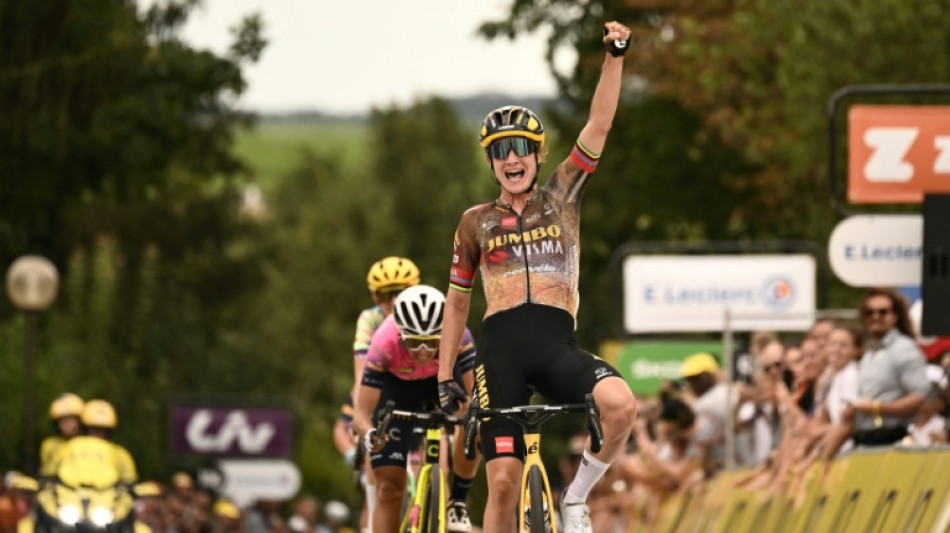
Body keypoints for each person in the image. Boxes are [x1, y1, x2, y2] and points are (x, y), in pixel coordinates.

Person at [435, 21, 638, 533]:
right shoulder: (474, 221)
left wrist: (615, 55)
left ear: (536, 153)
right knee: (501, 482)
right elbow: (456, 304)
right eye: (499, 152)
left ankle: (576, 497)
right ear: (490, 162)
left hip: (555, 346)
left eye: (520, 148)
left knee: (620, 404)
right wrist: (443, 376)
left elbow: (599, 124)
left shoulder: (561, 197)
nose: (511, 160)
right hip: (499, 352)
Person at [353, 285, 481, 533]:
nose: (423, 352)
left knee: (476, 418)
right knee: (389, 488)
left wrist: (469, 412)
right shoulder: (383, 341)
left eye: (432, 342)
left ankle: (458, 501)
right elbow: (360, 414)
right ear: (400, 334)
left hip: (442, 382)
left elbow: (476, 396)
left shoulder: (460, 336)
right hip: (398, 391)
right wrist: (370, 434)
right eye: (414, 342)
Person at [348, 256, 420, 531]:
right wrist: (360, 418)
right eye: (383, 295)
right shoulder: (370, 319)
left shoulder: (427, 310)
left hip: (420, 388)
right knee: (372, 438)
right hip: (384, 388)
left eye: (399, 293)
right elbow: (361, 375)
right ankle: (371, 520)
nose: (391, 301)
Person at [838, 288, 931, 448]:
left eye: (883, 312)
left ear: (895, 316)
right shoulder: (869, 353)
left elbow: (920, 397)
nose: (876, 317)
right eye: (869, 312)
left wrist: (876, 408)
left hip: (893, 440)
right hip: (866, 440)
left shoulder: (904, 349)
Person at [50, 399, 137, 487]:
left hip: (107, 498)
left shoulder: (120, 454)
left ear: (109, 432)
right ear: (85, 429)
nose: (97, 434)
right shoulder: (69, 447)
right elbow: (50, 473)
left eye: (102, 430)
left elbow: (130, 481)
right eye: (93, 429)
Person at [39, 393, 84, 475]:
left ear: (79, 421)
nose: (67, 424)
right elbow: (46, 472)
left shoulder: (88, 443)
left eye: (71, 420)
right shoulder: (49, 445)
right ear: (56, 424)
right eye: (63, 421)